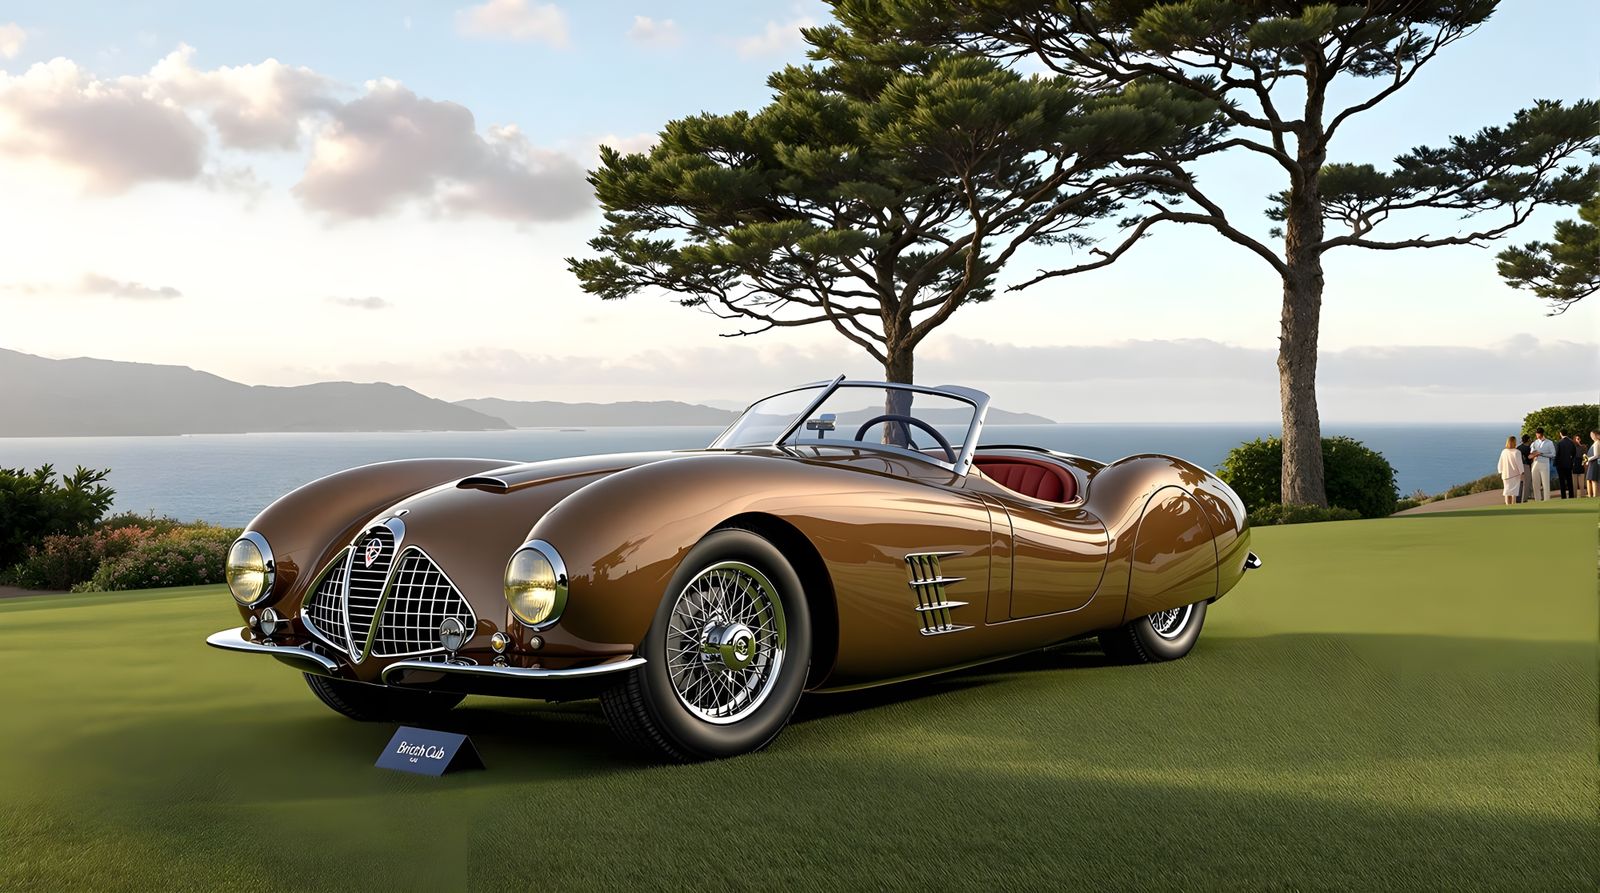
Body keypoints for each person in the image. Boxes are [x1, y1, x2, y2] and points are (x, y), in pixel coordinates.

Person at [1527, 428, 1555, 501]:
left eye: (1538, 433)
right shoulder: (1534, 443)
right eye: (1536, 433)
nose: (1536, 435)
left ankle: (1547, 500)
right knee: (1535, 484)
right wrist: (1534, 454)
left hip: (1544, 464)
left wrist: (1541, 454)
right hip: (1535, 463)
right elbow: (1531, 453)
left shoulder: (1549, 442)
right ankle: (1537, 500)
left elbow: (1553, 454)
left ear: (1542, 434)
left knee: (1545, 483)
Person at [1497, 436, 1526, 505]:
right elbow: (1519, 463)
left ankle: (1508, 506)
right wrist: (1522, 473)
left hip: (1505, 475)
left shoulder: (1504, 451)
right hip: (1515, 475)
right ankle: (1513, 506)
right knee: (1514, 493)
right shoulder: (1517, 452)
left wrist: (1500, 471)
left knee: (1507, 492)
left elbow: (1500, 463)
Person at [1554, 429, 1578, 499]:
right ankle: (1571, 496)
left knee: (1562, 481)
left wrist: (1555, 463)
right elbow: (1574, 453)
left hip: (1560, 465)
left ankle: (1563, 496)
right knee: (1569, 480)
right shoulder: (1571, 442)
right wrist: (1571, 461)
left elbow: (1557, 454)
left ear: (1560, 433)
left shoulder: (1559, 442)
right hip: (1569, 464)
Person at [1517, 434, 1533, 503]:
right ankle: (1524, 498)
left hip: (1519, 467)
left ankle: (1518, 498)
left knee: (1520, 483)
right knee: (1527, 483)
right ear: (1528, 440)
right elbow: (1530, 458)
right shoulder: (1529, 448)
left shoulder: (1518, 448)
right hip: (1526, 466)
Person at [1587, 430, 1599, 498]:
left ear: (1596, 435)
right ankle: (1593, 495)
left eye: (1592, 435)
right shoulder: (1594, 443)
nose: (1591, 436)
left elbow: (1596, 455)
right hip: (1592, 463)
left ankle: (1595, 495)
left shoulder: (1597, 443)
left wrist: (1588, 459)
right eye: (1591, 435)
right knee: (1591, 479)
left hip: (1595, 463)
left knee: (1594, 479)